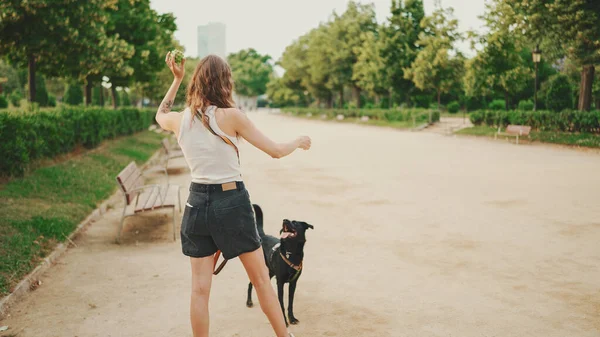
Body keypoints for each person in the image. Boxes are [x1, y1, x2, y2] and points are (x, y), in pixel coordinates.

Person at [155, 52, 310, 337]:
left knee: (199, 290)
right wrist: (298, 141)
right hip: (231, 202)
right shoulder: (232, 116)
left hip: (196, 203)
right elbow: (275, 151)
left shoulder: (181, 120)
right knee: (262, 280)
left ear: (196, 82)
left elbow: (160, 114)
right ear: (225, 82)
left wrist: (176, 80)